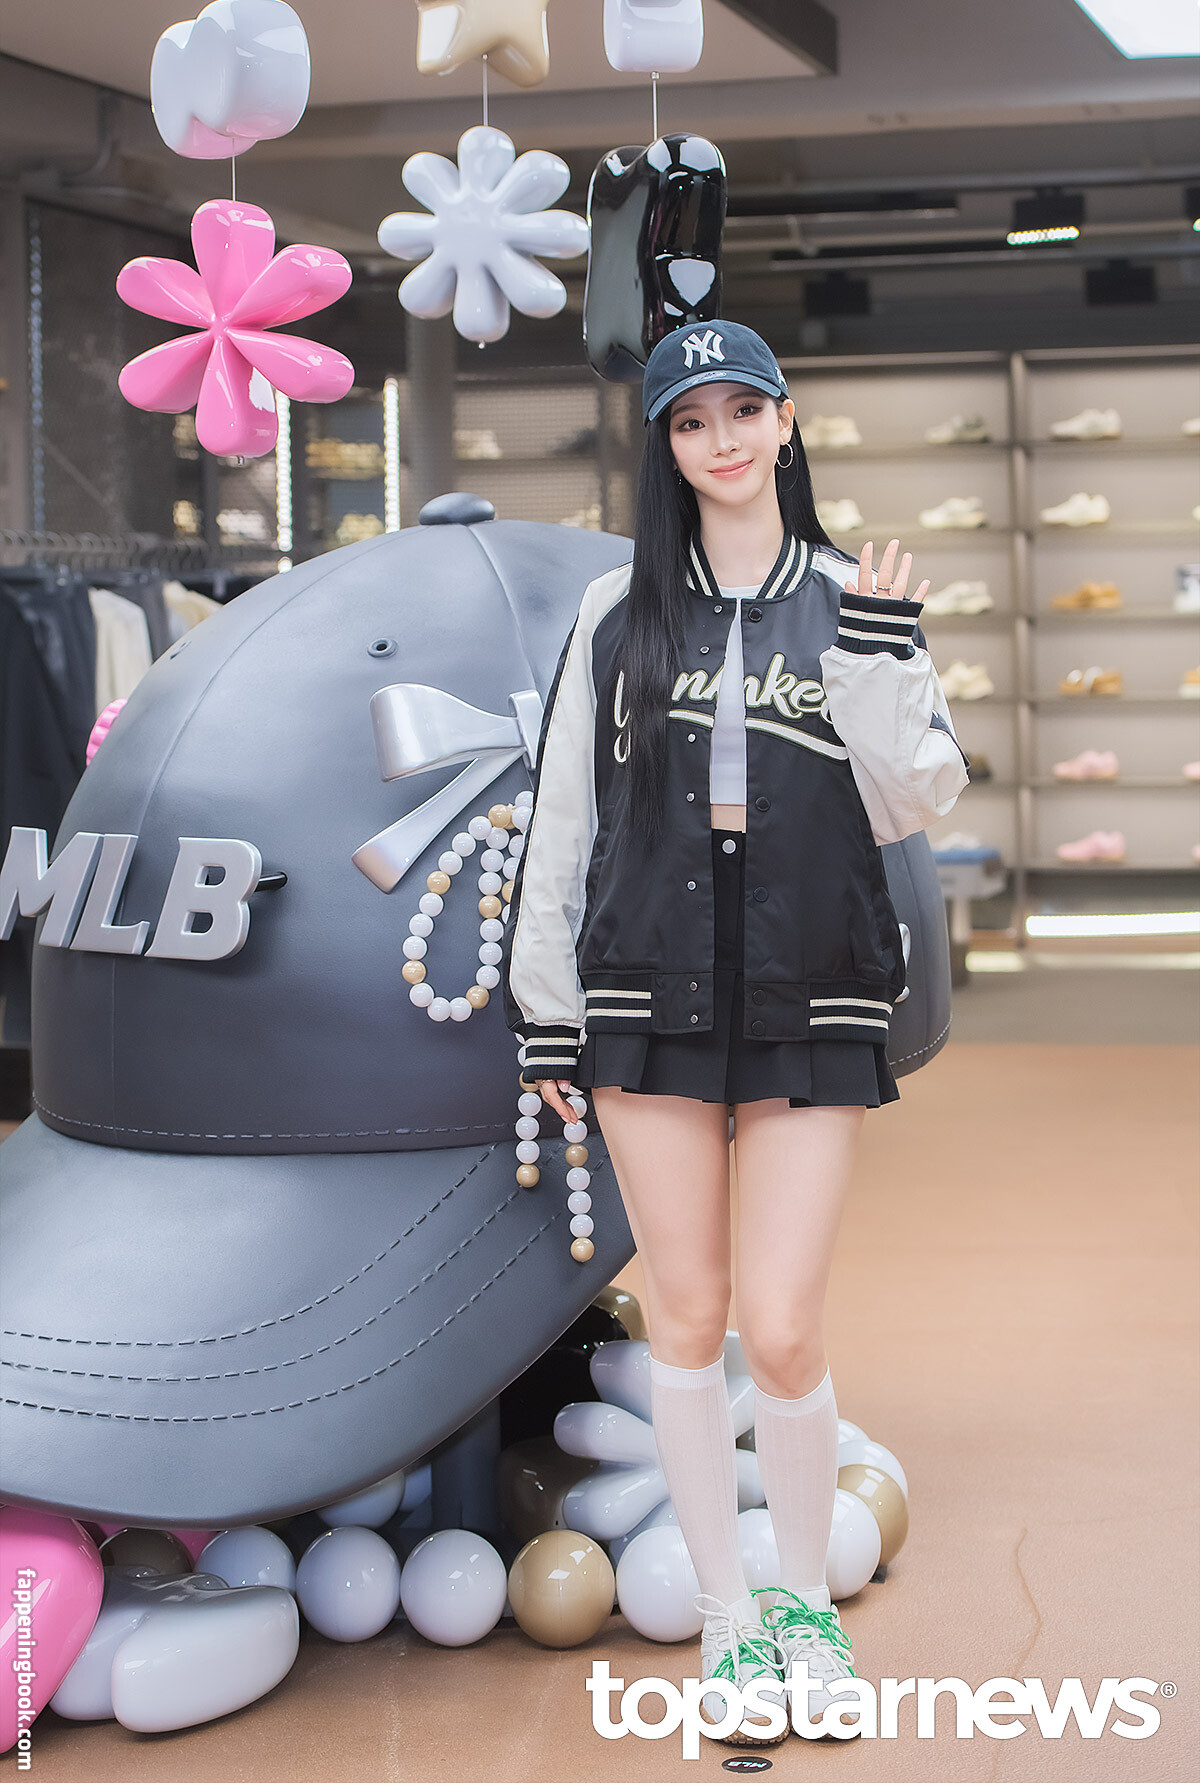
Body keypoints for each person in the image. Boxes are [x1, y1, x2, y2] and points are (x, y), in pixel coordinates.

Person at [500, 320, 968, 1744]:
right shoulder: (616, 613)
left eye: (742, 412)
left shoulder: (850, 596)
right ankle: (728, 1621)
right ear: (666, 444)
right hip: (647, 984)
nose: (722, 441)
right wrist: (548, 1016)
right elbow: (565, 818)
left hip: (811, 984)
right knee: (691, 1319)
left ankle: (806, 1612)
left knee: (786, 1322)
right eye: (691, 420)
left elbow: (915, 799)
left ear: (786, 421)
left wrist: (877, 658)